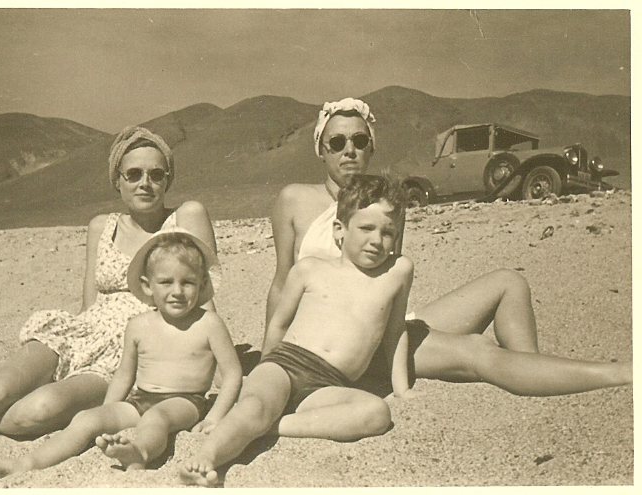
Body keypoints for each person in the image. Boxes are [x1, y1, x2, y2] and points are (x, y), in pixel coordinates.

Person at [180, 174, 631, 487]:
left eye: (389, 232)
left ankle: (277, 428)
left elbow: (395, 332)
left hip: (333, 383)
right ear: (339, 231)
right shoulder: (312, 268)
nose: (378, 240)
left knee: (374, 414)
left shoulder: (398, 272)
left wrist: (401, 388)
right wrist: (260, 370)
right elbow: (277, 324)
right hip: (288, 362)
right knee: (256, 404)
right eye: (367, 229)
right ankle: (211, 457)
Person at [0, 126, 219, 448]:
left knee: (33, 412)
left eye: (156, 174)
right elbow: (89, 305)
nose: (144, 183)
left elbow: (204, 300)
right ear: (117, 180)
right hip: (80, 333)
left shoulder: (187, 216)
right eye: (133, 174)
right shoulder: (101, 226)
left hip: (129, 353)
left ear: (168, 180)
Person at [267, 97, 540, 393]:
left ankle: (533, 371)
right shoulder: (294, 200)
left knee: (509, 281)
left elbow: (389, 280)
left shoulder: (389, 205)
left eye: (359, 141)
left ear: (371, 147)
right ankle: (536, 377)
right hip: (331, 347)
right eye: (336, 142)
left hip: (382, 333)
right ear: (321, 150)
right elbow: (281, 284)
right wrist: (268, 368)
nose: (349, 151)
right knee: (475, 350)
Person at [0, 230, 242, 481]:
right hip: (139, 398)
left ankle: (141, 453)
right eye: (166, 282)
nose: (177, 291)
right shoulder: (138, 325)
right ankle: (25, 463)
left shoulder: (208, 324)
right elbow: (125, 374)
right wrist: (107, 409)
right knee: (86, 420)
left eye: (188, 282)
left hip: (185, 401)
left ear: (203, 284)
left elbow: (232, 373)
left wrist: (215, 416)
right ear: (148, 286)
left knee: (156, 419)